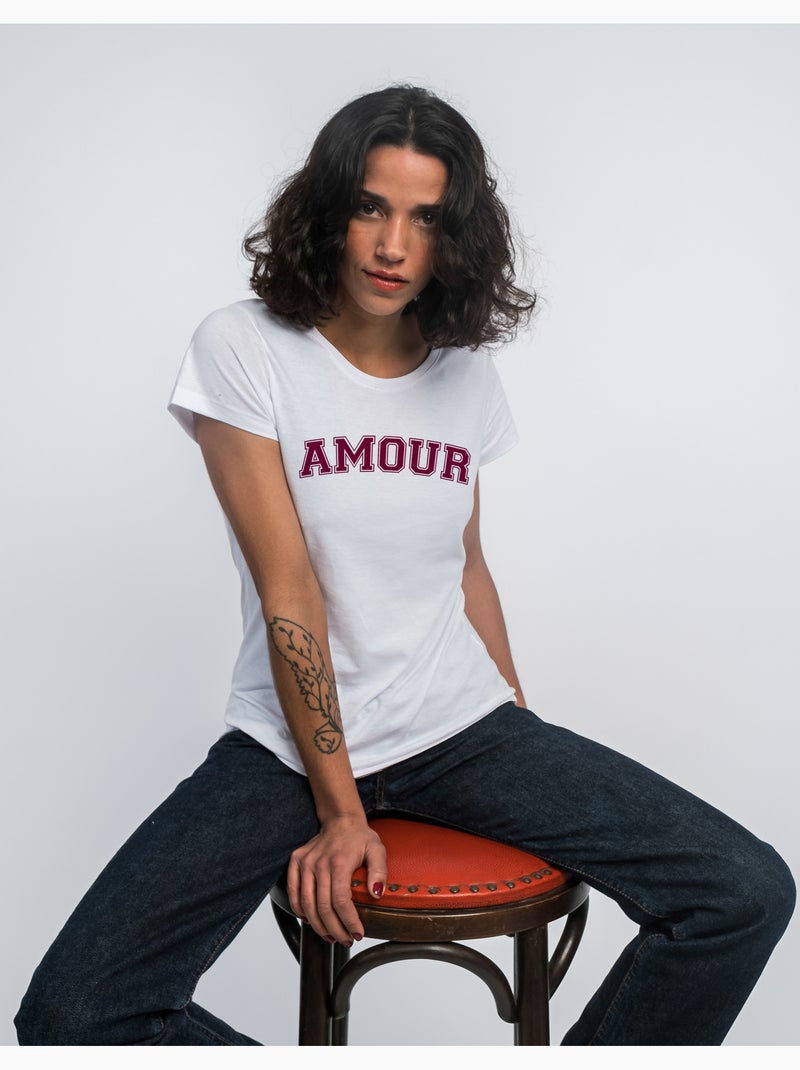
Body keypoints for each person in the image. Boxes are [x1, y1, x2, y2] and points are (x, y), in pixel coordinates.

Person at [15, 84, 794, 1047]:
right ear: (327, 210)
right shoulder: (244, 348)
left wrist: (519, 727)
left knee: (742, 891)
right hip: (290, 748)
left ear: (455, 237)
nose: (393, 245)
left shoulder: (463, 372)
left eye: (425, 219)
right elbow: (290, 589)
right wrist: (342, 812)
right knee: (75, 1011)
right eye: (371, 207)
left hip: (460, 728)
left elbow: (466, 567)